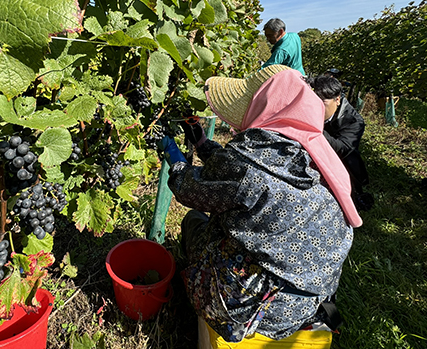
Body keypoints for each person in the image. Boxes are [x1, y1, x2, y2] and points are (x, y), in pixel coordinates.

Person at [160, 64, 361, 344]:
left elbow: (190, 188)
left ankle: (203, 299)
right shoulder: (318, 154)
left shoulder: (247, 162)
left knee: (195, 221)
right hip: (311, 303)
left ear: (264, 110)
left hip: (260, 310)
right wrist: (204, 144)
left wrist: (175, 159)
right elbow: (247, 177)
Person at [309, 75, 374, 211]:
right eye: (313, 101)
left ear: (337, 100)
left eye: (322, 103)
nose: (316, 107)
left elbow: (342, 148)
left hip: (340, 164)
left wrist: (313, 124)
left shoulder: (354, 121)